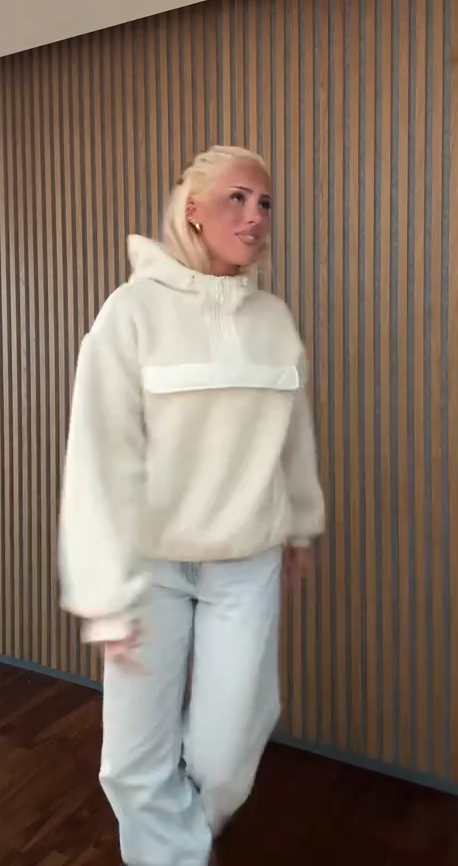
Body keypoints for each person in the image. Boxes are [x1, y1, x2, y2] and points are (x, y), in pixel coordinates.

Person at [59, 145, 325, 866]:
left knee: (227, 753)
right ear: (194, 210)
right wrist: (103, 594)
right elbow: (98, 456)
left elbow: (293, 434)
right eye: (238, 198)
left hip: (246, 563)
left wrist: (301, 525)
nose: (256, 216)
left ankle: (178, 840)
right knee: (134, 758)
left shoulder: (274, 318)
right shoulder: (132, 312)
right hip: (151, 567)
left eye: (265, 203)